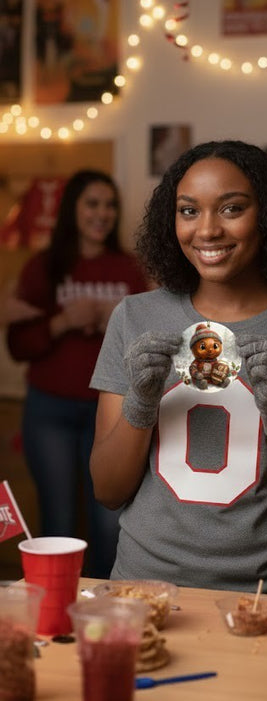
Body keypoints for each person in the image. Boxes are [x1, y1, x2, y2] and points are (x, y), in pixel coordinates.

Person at [89, 140, 267, 594]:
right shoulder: (134, 317)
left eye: (231, 209)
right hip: (143, 589)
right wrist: (141, 401)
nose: (207, 230)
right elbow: (107, 490)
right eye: (188, 211)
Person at [7, 169, 148, 577]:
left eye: (109, 205)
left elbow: (149, 343)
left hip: (111, 413)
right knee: (59, 519)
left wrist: (115, 322)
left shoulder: (129, 269)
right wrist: (63, 321)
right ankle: (53, 619)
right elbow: (19, 346)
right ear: (73, 210)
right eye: (92, 203)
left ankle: (101, 615)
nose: (102, 213)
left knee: (110, 522)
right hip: (49, 412)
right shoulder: (42, 267)